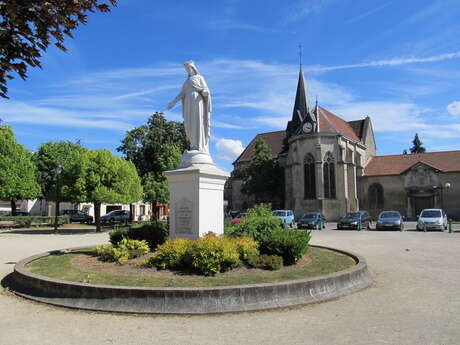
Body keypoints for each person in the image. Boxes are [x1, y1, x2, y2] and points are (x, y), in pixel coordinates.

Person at [168, 61, 211, 153]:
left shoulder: (199, 78)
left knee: (197, 122)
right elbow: (181, 94)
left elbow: (206, 89)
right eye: (186, 69)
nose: (188, 70)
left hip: (197, 102)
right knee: (189, 124)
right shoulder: (187, 82)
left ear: (193, 68)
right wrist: (173, 102)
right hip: (188, 103)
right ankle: (193, 145)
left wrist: (205, 92)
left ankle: (198, 146)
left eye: (189, 68)